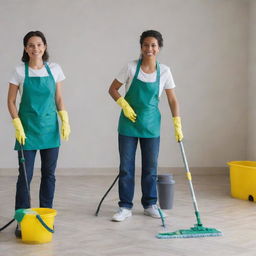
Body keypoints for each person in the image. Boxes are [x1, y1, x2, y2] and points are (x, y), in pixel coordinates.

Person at [108, 30, 183, 222]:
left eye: (153, 45)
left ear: (159, 48)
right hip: (128, 125)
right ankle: (125, 207)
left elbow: (172, 99)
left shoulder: (164, 71)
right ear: (141, 47)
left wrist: (177, 123)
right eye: (146, 45)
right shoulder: (131, 67)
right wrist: (123, 105)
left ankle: (150, 204)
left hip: (151, 125)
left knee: (150, 167)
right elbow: (113, 89)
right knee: (126, 167)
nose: (149, 49)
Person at [7, 31, 71, 237]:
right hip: (27, 131)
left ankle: (45, 216)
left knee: (49, 175)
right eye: (31, 45)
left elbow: (59, 98)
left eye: (39, 44)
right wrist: (17, 123)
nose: (36, 49)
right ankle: (22, 219)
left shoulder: (55, 69)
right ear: (25, 48)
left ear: (45, 46)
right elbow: (10, 101)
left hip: (49, 129)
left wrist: (65, 120)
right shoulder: (19, 71)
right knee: (25, 176)